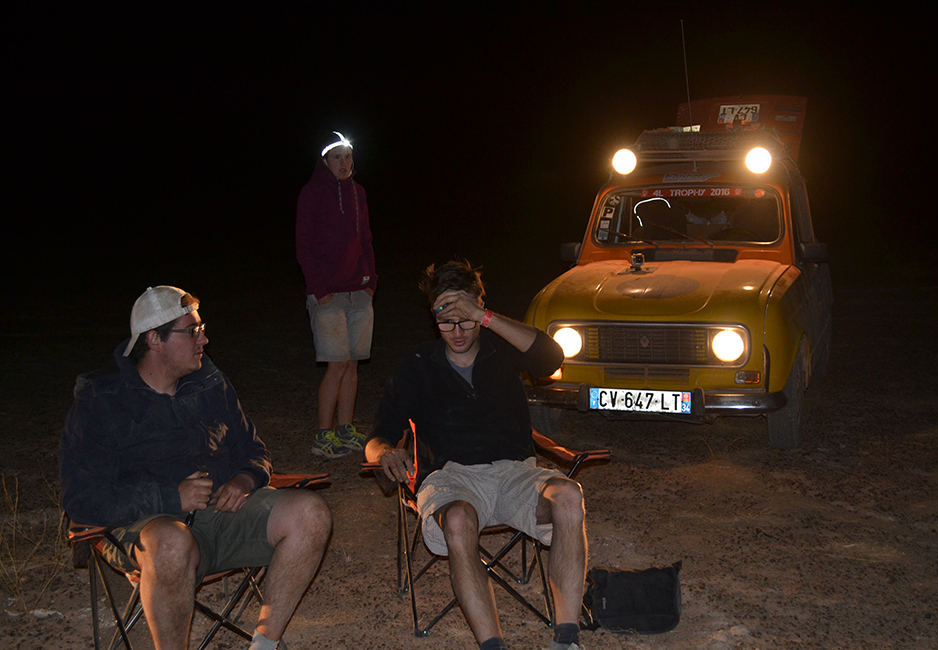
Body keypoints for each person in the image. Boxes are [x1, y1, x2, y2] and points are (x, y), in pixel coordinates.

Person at [60, 286, 331, 650]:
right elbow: (81, 498)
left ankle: (265, 645)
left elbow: (253, 449)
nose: (204, 338)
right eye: (192, 331)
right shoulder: (102, 400)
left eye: (201, 328)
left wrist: (244, 479)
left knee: (310, 512)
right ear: (154, 339)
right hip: (148, 527)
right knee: (171, 544)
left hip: (221, 515)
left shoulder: (209, 383)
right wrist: (171, 497)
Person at [365, 261, 588, 650]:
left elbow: (552, 358)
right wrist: (385, 453)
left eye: (465, 320)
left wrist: (483, 317)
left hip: (516, 472)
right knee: (457, 519)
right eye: (446, 321)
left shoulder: (503, 349)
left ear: (480, 309)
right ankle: (492, 645)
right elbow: (379, 436)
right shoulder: (417, 366)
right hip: (452, 479)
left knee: (568, 496)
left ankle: (566, 640)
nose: (457, 332)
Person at [296, 131, 378, 459]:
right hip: (327, 294)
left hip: (358, 292)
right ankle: (323, 435)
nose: (343, 163)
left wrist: (371, 281)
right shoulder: (311, 193)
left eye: (347, 157)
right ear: (325, 161)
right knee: (337, 363)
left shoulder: (358, 192)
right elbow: (303, 246)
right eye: (336, 157)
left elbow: (367, 240)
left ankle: (345, 429)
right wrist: (320, 290)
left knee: (353, 363)